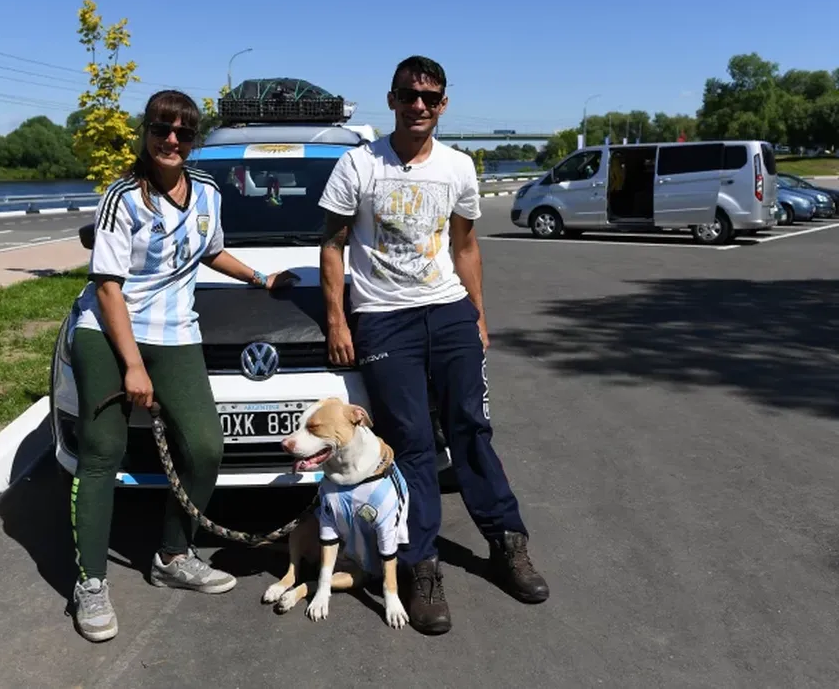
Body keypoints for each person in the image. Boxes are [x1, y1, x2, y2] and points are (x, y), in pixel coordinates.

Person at [317, 56, 550, 635]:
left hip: (447, 312)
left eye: (429, 96)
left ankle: (508, 544)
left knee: (471, 427)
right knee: (415, 445)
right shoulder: (358, 165)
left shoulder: (458, 167)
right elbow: (332, 245)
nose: (418, 104)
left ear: (443, 104)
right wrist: (338, 322)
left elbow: (466, 246)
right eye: (407, 95)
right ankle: (422, 567)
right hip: (384, 320)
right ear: (392, 100)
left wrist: (477, 314)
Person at [66, 89, 297, 643]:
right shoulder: (123, 198)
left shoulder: (209, 192)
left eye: (184, 133)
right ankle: (90, 583)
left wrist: (261, 279)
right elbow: (107, 287)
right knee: (103, 454)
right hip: (108, 330)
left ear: (193, 140)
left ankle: (172, 555)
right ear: (145, 133)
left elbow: (209, 250)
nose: (172, 140)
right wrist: (132, 367)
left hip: (174, 333)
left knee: (206, 447)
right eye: (162, 129)